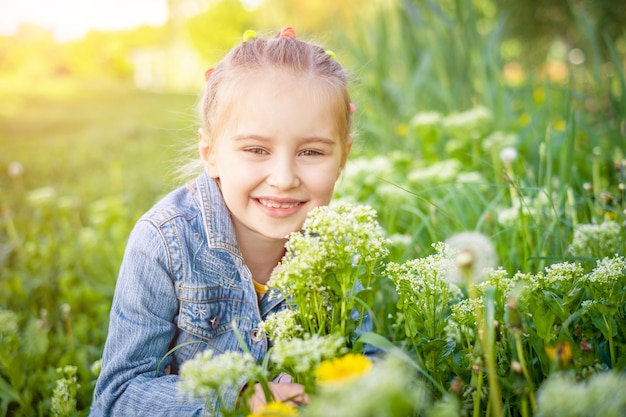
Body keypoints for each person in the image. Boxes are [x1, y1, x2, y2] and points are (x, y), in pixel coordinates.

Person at [90, 26, 358, 416]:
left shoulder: (342, 248)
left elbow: (366, 364)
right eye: (255, 149)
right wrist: (240, 399)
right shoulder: (165, 241)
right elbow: (117, 397)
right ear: (211, 153)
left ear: (343, 159)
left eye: (311, 152)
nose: (284, 178)